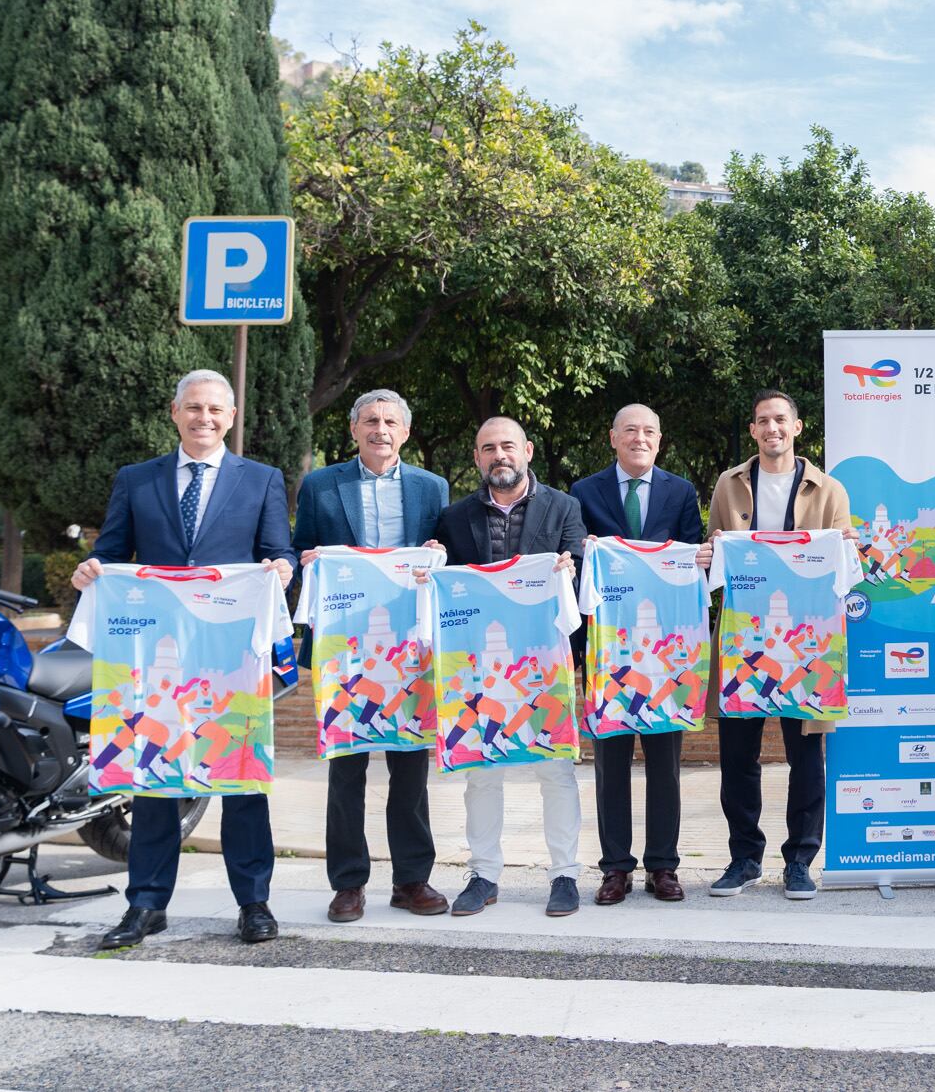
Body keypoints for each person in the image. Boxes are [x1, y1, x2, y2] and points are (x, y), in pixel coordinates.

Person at [73, 370, 296, 950]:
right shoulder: (136, 480)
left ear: (231, 416)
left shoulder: (263, 480)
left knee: (241, 781)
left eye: (215, 410)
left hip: (229, 660)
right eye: (193, 408)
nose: (204, 418)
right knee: (154, 782)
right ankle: (146, 904)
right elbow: (111, 555)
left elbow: (277, 551)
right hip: (156, 660)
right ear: (174, 412)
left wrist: (281, 571)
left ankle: (253, 903)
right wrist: (91, 572)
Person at [292, 388, 452, 924]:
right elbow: (297, 553)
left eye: (389, 421)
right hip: (345, 652)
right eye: (369, 420)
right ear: (354, 430)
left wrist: (439, 556)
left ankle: (412, 879)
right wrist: (308, 560)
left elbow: (447, 558)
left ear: (404, 432)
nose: (379, 429)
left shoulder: (433, 489)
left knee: (410, 769)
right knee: (346, 772)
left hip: (409, 652)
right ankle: (348, 884)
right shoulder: (320, 486)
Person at [433, 416, 588, 920]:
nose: (499, 455)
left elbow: (585, 569)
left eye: (507, 446)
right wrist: (432, 564)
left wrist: (568, 568)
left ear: (527, 451)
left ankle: (564, 874)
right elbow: (447, 584)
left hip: (542, 663)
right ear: (477, 458)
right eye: (487, 448)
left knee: (556, 771)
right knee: (481, 774)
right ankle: (484, 875)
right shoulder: (455, 518)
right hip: (479, 667)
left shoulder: (564, 506)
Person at [700, 389, 852, 902]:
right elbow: (717, 562)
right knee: (737, 756)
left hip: (806, 644)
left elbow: (845, 569)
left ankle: (801, 861)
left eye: (781, 420)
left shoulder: (829, 490)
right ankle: (744, 858)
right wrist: (711, 553)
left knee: (806, 756)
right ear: (753, 430)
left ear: (798, 427)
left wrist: (847, 551)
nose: (773, 429)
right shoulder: (729, 485)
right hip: (744, 639)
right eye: (763, 420)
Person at [572, 403, 705, 905]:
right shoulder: (584, 493)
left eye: (648, 431)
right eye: (630, 430)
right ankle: (615, 869)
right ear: (613, 438)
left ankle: (664, 866)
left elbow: (693, 555)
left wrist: (700, 557)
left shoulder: (680, 492)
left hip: (666, 653)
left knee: (665, 764)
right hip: (609, 651)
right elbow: (576, 559)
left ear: (659, 440)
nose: (639, 438)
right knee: (611, 763)